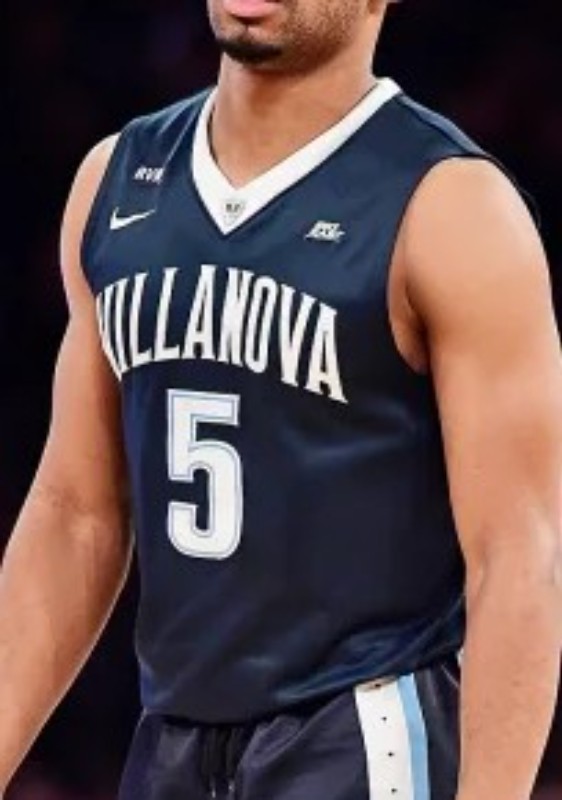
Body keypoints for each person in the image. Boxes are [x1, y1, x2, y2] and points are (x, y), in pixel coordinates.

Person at [1, 0, 561, 798]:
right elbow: (75, 513)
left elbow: (520, 558)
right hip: (170, 740)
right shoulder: (115, 179)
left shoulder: (451, 206)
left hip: (358, 735)